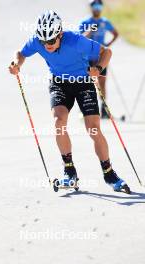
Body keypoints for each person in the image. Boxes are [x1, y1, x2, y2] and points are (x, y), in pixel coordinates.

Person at [9, 10, 130, 192]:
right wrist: (16, 64)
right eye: (44, 42)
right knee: (59, 122)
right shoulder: (38, 40)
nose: (47, 45)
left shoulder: (75, 41)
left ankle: (109, 173)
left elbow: (106, 52)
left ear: (60, 34)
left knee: (93, 128)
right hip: (59, 82)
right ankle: (70, 171)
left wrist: (98, 68)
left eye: (51, 41)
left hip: (83, 82)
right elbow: (21, 52)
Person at [79, 0, 119, 118]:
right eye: (95, 6)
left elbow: (116, 33)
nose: (97, 8)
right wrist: (90, 30)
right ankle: (86, 110)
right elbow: (80, 39)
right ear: (91, 7)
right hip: (88, 58)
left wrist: (108, 45)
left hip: (101, 58)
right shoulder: (85, 22)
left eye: (99, 6)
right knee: (86, 84)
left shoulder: (104, 22)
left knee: (102, 83)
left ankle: (104, 110)